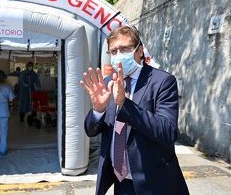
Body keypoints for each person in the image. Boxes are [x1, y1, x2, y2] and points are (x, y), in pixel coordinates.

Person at [80, 26, 189, 195]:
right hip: (121, 183)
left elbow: (168, 133)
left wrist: (125, 104)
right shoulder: (108, 82)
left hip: (155, 183)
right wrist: (98, 110)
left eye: (125, 48)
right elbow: (90, 130)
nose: (119, 55)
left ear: (139, 50)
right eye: (114, 51)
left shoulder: (162, 82)